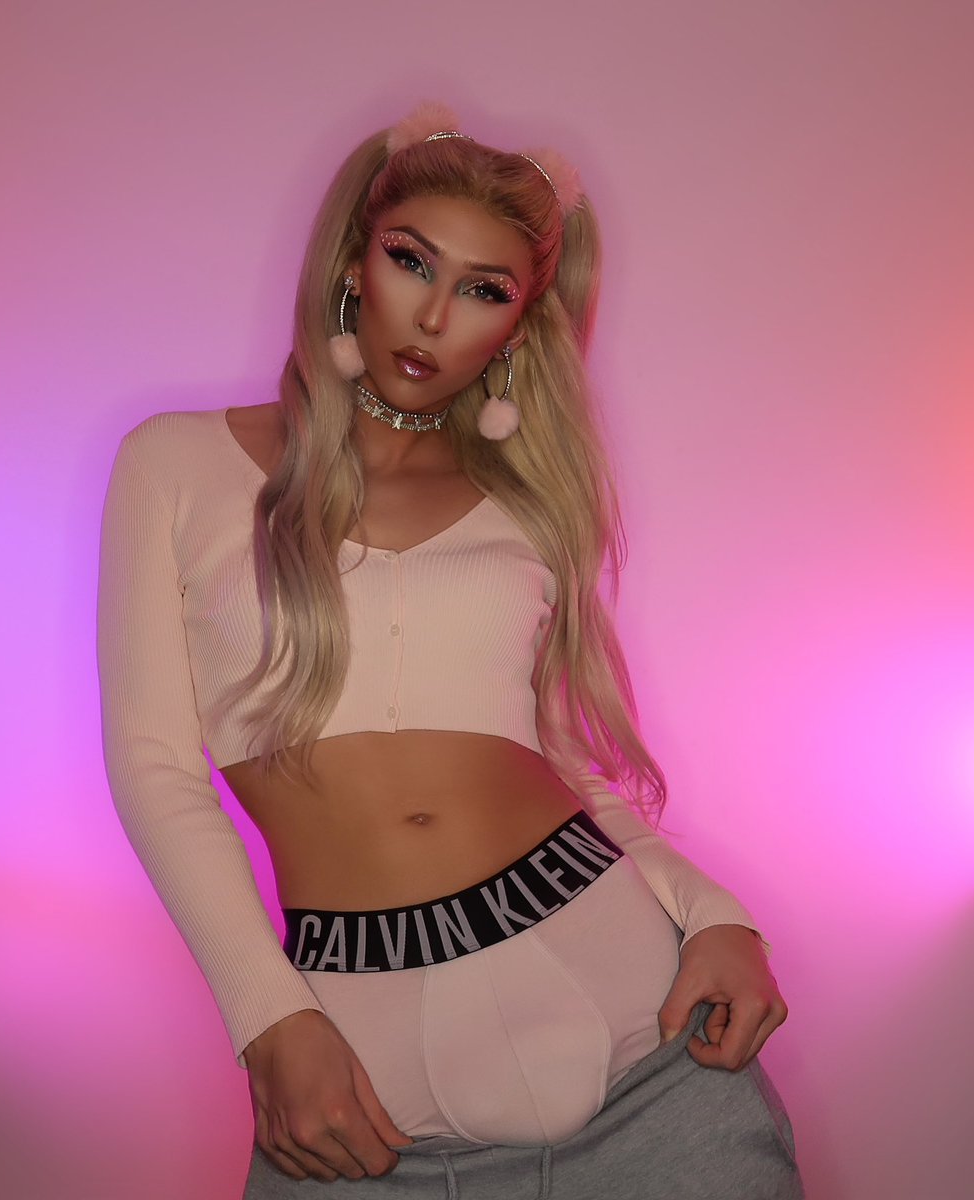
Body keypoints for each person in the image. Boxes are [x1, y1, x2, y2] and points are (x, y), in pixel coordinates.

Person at [96, 102, 803, 1198]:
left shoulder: (525, 504)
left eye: (484, 289)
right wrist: (266, 1016)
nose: (432, 315)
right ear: (353, 262)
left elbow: (560, 763)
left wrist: (714, 913)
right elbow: (154, 765)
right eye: (410, 261)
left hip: (656, 1060)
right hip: (364, 1099)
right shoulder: (175, 466)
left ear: (516, 327)